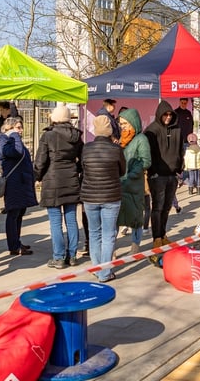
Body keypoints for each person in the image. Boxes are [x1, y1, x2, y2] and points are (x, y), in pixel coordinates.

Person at [35, 105, 83, 269]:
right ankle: (73, 255)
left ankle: (59, 257)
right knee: (71, 219)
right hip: (71, 179)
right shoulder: (76, 136)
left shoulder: (48, 135)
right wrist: (75, 171)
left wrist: (37, 177)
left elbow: (40, 161)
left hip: (52, 180)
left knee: (55, 222)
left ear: (54, 118)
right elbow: (82, 160)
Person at [81, 116, 125, 282]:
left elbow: (83, 168)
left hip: (89, 196)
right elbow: (122, 171)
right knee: (109, 234)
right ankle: (105, 273)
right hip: (111, 196)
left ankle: (97, 267)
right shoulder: (116, 149)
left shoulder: (86, 148)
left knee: (94, 233)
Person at [0, 116, 38, 255]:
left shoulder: (11, 140)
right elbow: (16, 152)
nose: (21, 130)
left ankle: (17, 241)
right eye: (18, 127)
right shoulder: (2, 142)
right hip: (13, 183)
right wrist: (14, 135)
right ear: (8, 128)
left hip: (21, 182)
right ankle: (13, 245)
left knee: (19, 213)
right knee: (13, 214)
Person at [144, 101, 182, 261]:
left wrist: (180, 168)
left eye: (170, 114)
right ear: (160, 114)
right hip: (157, 175)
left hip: (172, 175)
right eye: (165, 114)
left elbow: (181, 149)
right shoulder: (151, 131)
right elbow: (148, 153)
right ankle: (156, 238)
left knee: (167, 207)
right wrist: (151, 172)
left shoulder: (177, 129)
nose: (167, 117)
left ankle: (163, 234)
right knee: (157, 208)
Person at [116, 108, 151, 255]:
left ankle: (135, 247)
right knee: (117, 217)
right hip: (120, 184)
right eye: (121, 124)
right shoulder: (122, 139)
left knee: (136, 217)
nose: (122, 126)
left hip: (134, 184)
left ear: (133, 123)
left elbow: (146, 161)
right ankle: (112, 248)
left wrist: (132, 173)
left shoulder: (141, 139)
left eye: (125, 123)